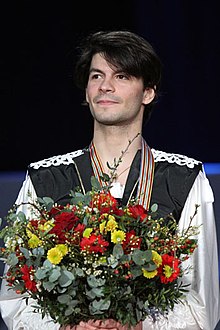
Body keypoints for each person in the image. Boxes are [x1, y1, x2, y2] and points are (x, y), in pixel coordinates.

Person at [0, 30, 219, 330]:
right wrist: (66, 327)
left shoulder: (183, 179)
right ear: (86, 91)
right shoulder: (45, 179)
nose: (105, 86)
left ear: (148, 92)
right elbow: (15, 299)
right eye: (96, 76)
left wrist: (140, 326)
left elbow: (202, 303)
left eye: (122, 77)